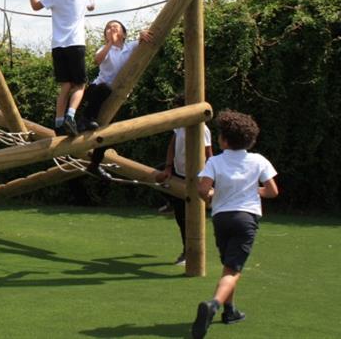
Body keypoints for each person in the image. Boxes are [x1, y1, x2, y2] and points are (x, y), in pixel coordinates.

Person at [190, 110, 278, 339]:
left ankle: (230, 311)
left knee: (228, 265)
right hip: (246, 218)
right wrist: (251, 190)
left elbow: (202, 189)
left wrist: (210, 197)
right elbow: (272, 191)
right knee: (234, 269)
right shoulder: (258, 160)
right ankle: (214, 305)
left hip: (222, 218)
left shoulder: (215, 161)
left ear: (224, 140)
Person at [26, 0, 95, 137]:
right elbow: (92, 6)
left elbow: (35, 6)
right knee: (80, 85)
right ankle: (70, 116)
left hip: (58, 46)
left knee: (66, 85)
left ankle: (58, 122)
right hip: (76, 44)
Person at [79, 20, 153, 177]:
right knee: (103, 88)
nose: (111, 29)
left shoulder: (129, 47)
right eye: (108, 28)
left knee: (109, 130)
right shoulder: (105, 49)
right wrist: (109, 44)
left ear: (124, 34)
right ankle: (85, 119)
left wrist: (142, 33)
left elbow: (142, 40)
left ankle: (95, 163)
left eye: (115, 27)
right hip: (98, 91)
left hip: (116, 96)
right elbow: (97, 60)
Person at [154, 94, 213, 265]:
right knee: (155, 175)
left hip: (195, 177)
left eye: (177, 107)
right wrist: (168, 167)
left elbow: (209, 153)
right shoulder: (179, 125)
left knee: (187, 218)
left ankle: (189, 254)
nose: (174, 110)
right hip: (178, 172)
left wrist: (209, 177)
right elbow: (172, 146)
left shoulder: (201, 128)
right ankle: (171, 201)